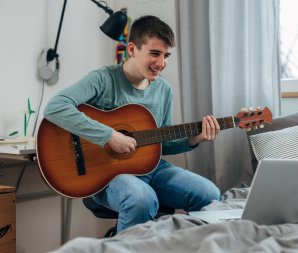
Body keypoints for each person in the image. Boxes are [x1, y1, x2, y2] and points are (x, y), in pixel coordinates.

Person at [43, 15, 221, 233]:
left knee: (209, 195)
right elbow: (56, 106)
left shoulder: (164, 89)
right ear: (132, 49)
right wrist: (108, 135)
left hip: (152, 168)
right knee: (141, 198)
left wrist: (194, 139)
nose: (161, 63)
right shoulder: (103, 78)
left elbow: (161, 141)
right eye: (154, 53)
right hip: (108, 175)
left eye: (166, 56)